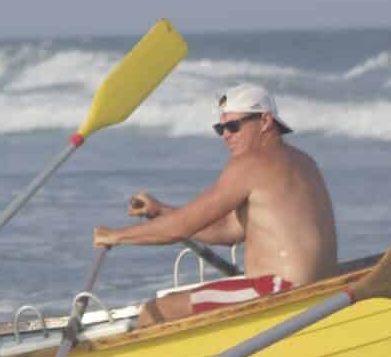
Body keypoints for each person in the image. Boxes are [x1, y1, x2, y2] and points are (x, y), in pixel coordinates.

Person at [92, 84, 340, 326]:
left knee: (156, 311)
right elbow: (228, 230)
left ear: (265, 122)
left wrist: (116, 235)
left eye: (234, 126)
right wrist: (160, 211)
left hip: (280, 292)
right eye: (220, 128)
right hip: (318, 289)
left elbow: (177, 230)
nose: (226, 135)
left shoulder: (249, 164)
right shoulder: (304, 162)